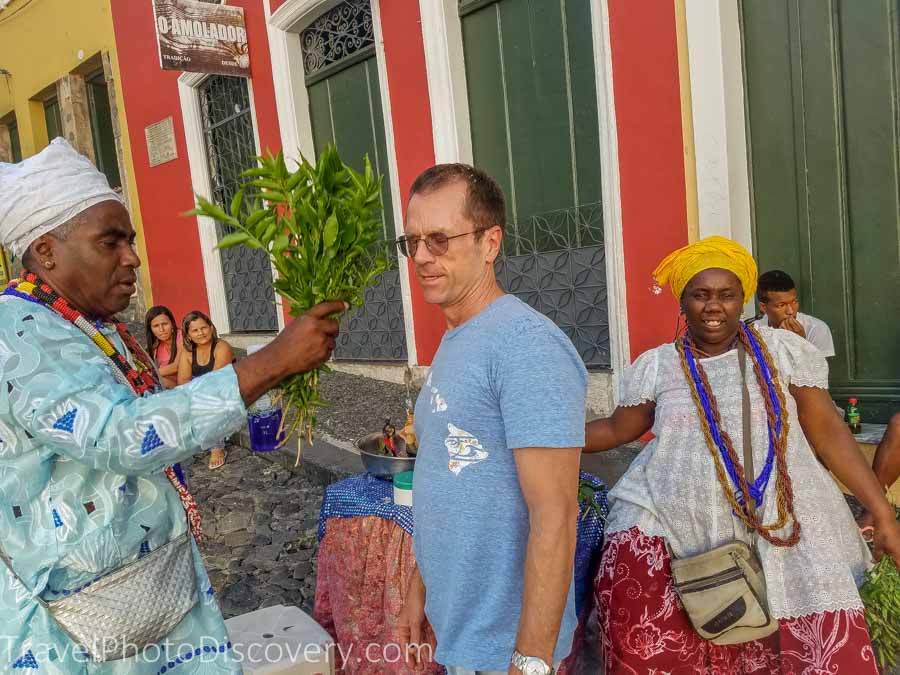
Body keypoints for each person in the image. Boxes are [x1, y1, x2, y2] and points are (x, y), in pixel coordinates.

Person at [0, 138, 345, 674]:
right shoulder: (16, 332)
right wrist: (271, 363)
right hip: (75, 632)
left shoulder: (92, 325)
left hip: (145, 601)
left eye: (130, 240)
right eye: (110, 242)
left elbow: (163, 411)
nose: (132, 257)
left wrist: (268, 382)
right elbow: (120, 434)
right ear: (46, 251)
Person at [584, 236, 900, 674]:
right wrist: (544, 435)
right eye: (700, 295)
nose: (714, 307)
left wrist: (880, 510)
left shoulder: (784, 352)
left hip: (781, 517)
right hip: (673, 518)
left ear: (742, 300)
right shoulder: (658, 365)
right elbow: (619, 428)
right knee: (646, 623)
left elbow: (828, 432)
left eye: (726, 295)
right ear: (683, 302)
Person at [396, 164, 587, 675]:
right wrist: (422, 584)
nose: (421, 258)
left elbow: (556, 518)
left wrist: (530, 662)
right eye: (411, 241)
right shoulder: (459, 337)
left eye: (439, 239)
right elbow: (448, 476)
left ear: (490, 242)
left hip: (505, 646)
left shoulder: (525, 346)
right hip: (462, 628)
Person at [177, 310, 234, 470]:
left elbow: (216, 381)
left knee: (209, 405)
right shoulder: (188, 352)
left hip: (226, 392)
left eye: (204, 328)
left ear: (211, 327)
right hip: (201, 393)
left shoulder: (222, 347)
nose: (201, 333)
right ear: (188, 335)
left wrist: (194, 392)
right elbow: (182, 382)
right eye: (195, 330)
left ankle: (216, 447)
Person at [756, 269, 836, 357]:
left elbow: (820, 369)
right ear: (763, 307)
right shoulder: (754, 331)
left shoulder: (817, 329)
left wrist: (801, 343)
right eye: (781, 305)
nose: (790, 311)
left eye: (794, 302)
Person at [145, 305, 182, 389]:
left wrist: (150, 374)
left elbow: (176, 367)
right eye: (156, 326)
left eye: (165, 324)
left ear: (172, 324)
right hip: (174, 388)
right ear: (150, 329)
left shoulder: (183, 337)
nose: (161, 329)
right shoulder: (155, 349)